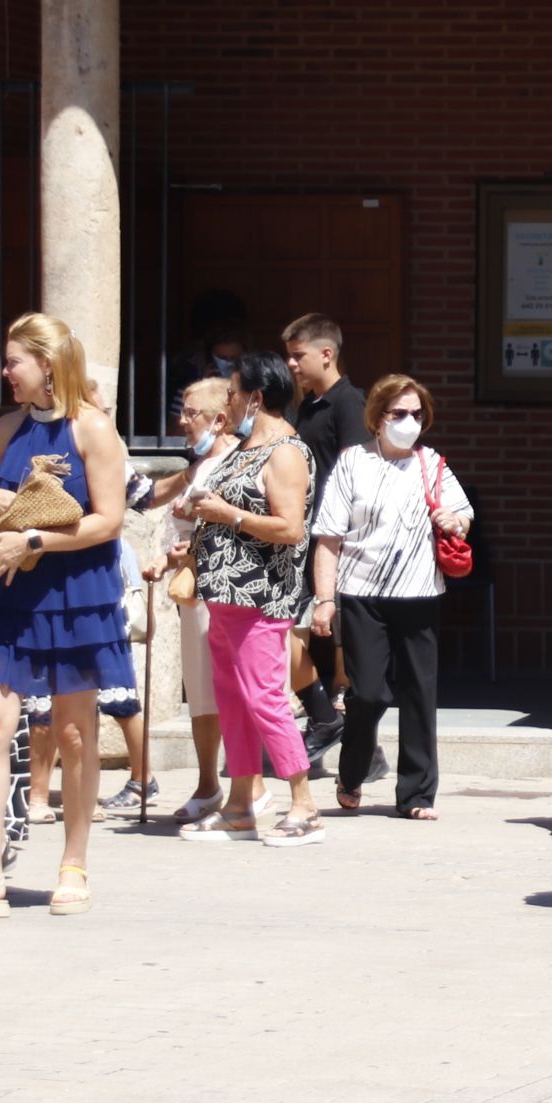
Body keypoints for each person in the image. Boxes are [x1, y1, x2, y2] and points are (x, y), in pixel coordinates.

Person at [0, 313, 134, 918]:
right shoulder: (5, 428)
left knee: (75, 734)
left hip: (76, 591)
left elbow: (109, 519)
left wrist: (37, 541)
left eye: (13, 361)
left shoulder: (93, 429)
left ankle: (73, 863)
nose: (5, 372)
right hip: (10, 593)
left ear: (46, 365)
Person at [178, 349, 326, 846]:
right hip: (223, 596)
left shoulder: (285, 451)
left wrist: (228, 516)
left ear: (256, 397)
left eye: (234, 392)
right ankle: (240, 803)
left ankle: (304, 804)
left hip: (261, 598)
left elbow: (289, 528)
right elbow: (220, 512)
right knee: (234, 699)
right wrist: (196, 542)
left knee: (264, 698)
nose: (229, 401)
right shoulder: (243, 451)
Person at [309, 374, 473, 820]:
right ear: (377, 418)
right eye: (398, 414)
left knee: (420, 692)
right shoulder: (352, 464)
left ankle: (417, 795)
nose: (409, 422)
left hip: (419, 593)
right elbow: (328, 538)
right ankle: (352, 771)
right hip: (362, 593)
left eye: (417, 415)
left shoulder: (432, 463)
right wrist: (324, 600)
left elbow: (463, 515)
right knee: (369, 694)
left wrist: (454, 521)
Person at [142, 377, 272, 825]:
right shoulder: (196, 467)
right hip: (195, 592)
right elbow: (180, 528)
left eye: (190, 412)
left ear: (220, 419)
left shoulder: (246, 461)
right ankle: (207, 783)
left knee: (237, 687)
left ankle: (249, 783)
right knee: (201, 692)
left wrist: (193, 546)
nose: (181, 420)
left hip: (234, 592)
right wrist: (166, 558)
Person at [283, 313, 370, 771]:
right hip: (306, 536)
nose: (292, 365)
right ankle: (363, 751)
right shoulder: (308, 406)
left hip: (337, 542)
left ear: (326, 354)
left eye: (298, 356)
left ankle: (332, 723)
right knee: (302, 636)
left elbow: (356, 474)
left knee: (340, 648)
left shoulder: (348, 404)